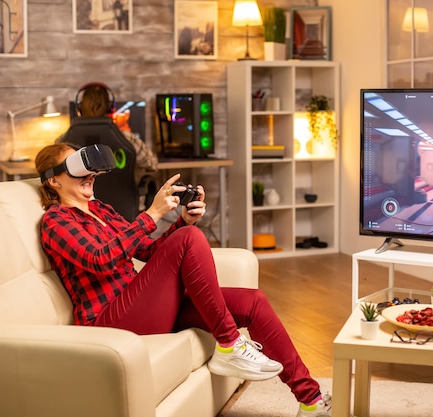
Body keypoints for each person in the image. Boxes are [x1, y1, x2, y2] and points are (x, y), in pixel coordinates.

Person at [34, 143, 332, 417]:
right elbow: (100, 259)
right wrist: (151, 214)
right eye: (77, 168)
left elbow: (148, 251)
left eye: (91, 170)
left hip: (141, 307)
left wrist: (181, 222)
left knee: (252, 301)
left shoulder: (101, 210)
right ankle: (229, 344)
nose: (89, 175)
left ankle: (311, 401)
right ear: (54, 180)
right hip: (109, 322)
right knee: (189, 239)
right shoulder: (56, 220)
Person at [59, 82, 158, 172]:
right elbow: (152, 164)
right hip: (121, 191)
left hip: (80, 192)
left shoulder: (63, 142)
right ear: (110, 107)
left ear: (79, 108)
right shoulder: (126, 138)